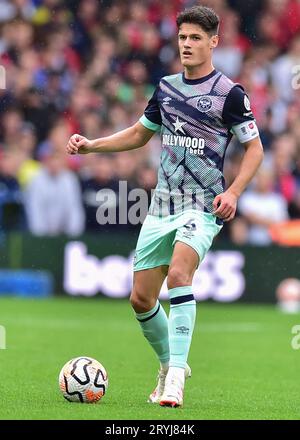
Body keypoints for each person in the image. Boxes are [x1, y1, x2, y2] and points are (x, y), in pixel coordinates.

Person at [66, 6, 264, 407]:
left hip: (203, 204)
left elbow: (255, 148)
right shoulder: (167, 88)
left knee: (179, 273)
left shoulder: (230, 94)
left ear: (214, 42)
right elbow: (141, 133)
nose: (187, 45)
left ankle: (176, 377)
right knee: (140, 299)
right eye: (182, 37)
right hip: (161, 206)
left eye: (195, 38)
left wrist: (235, 192)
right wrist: (93, 145)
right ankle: (167, 364)